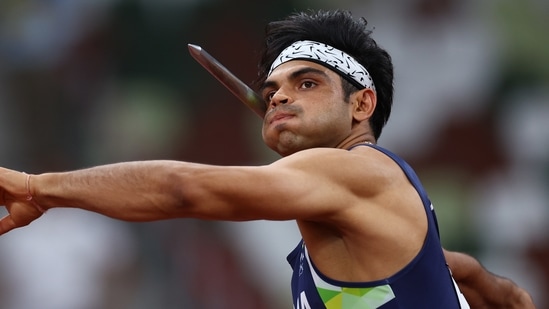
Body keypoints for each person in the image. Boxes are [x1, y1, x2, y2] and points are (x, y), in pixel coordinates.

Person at [0, 9, 535, 309]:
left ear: (362, 105)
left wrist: (37, 188)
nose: (278, 96)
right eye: (273, 88)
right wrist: (497, 290)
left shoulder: (358, 169)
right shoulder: (361, 211)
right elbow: (451, 269)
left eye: (307, 84)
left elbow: (182, 190)